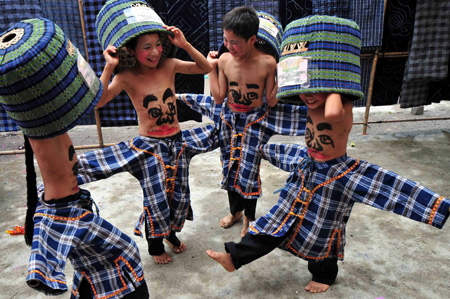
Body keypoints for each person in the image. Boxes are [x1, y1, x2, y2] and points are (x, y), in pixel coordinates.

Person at [206, 15, 450, 294]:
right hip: (308, 166)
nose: (308, 97)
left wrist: (327, 79)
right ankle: (234, 257)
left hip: (338, 174)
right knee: (276, 219)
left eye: (315, 90)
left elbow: (332, 111)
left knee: (327, 229)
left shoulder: (340, 101)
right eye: (305, 92)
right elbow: (289, 98)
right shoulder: (311, 101)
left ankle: (324, 274)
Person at [0, 18, 149, 298]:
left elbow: (91, 97)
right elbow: (88, 99)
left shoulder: (43, 119)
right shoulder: (41, 127)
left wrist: (108, 67)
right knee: (126, 250)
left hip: (72, 197)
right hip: (65, 209)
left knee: (94, 262)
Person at [77, 0, 216, 265]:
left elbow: (205, 68)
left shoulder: (170, 64)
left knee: (178, 194)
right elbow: (98, 101)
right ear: (131, 50)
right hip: (149, 147)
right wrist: (108, 66)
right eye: (147, 47)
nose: (155, 52)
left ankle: (171, 235)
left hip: (177, 142)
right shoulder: (126, 76)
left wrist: (184, 45)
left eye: (158, 45)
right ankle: (155, 247)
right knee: (156, 199)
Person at [180, 8, 307, 237]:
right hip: (229, 120)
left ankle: (250, 217)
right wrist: (213, 67)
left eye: (236, 42)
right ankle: (235, 212)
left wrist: (284, 77)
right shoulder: (226, 59)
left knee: (249, 171)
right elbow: (219, 97)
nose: (229, 46)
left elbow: (270, 100)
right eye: (226, 40)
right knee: (229, 168)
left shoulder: (268, 63)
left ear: (252, 39)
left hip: (254, 121)